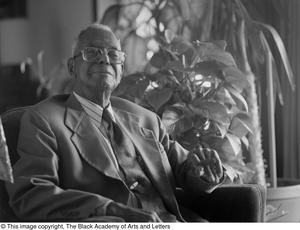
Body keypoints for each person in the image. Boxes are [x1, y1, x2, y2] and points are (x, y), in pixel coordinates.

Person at [5, 24, 225, 222]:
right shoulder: (44, 120)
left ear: (121, 69)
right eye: (92, 52)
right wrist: (110, 210)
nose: (104, 59)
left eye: (113, 54)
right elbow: (31, 194)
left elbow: (186, 169)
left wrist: (203, 174)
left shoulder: (146, 119)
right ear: (72, 67)